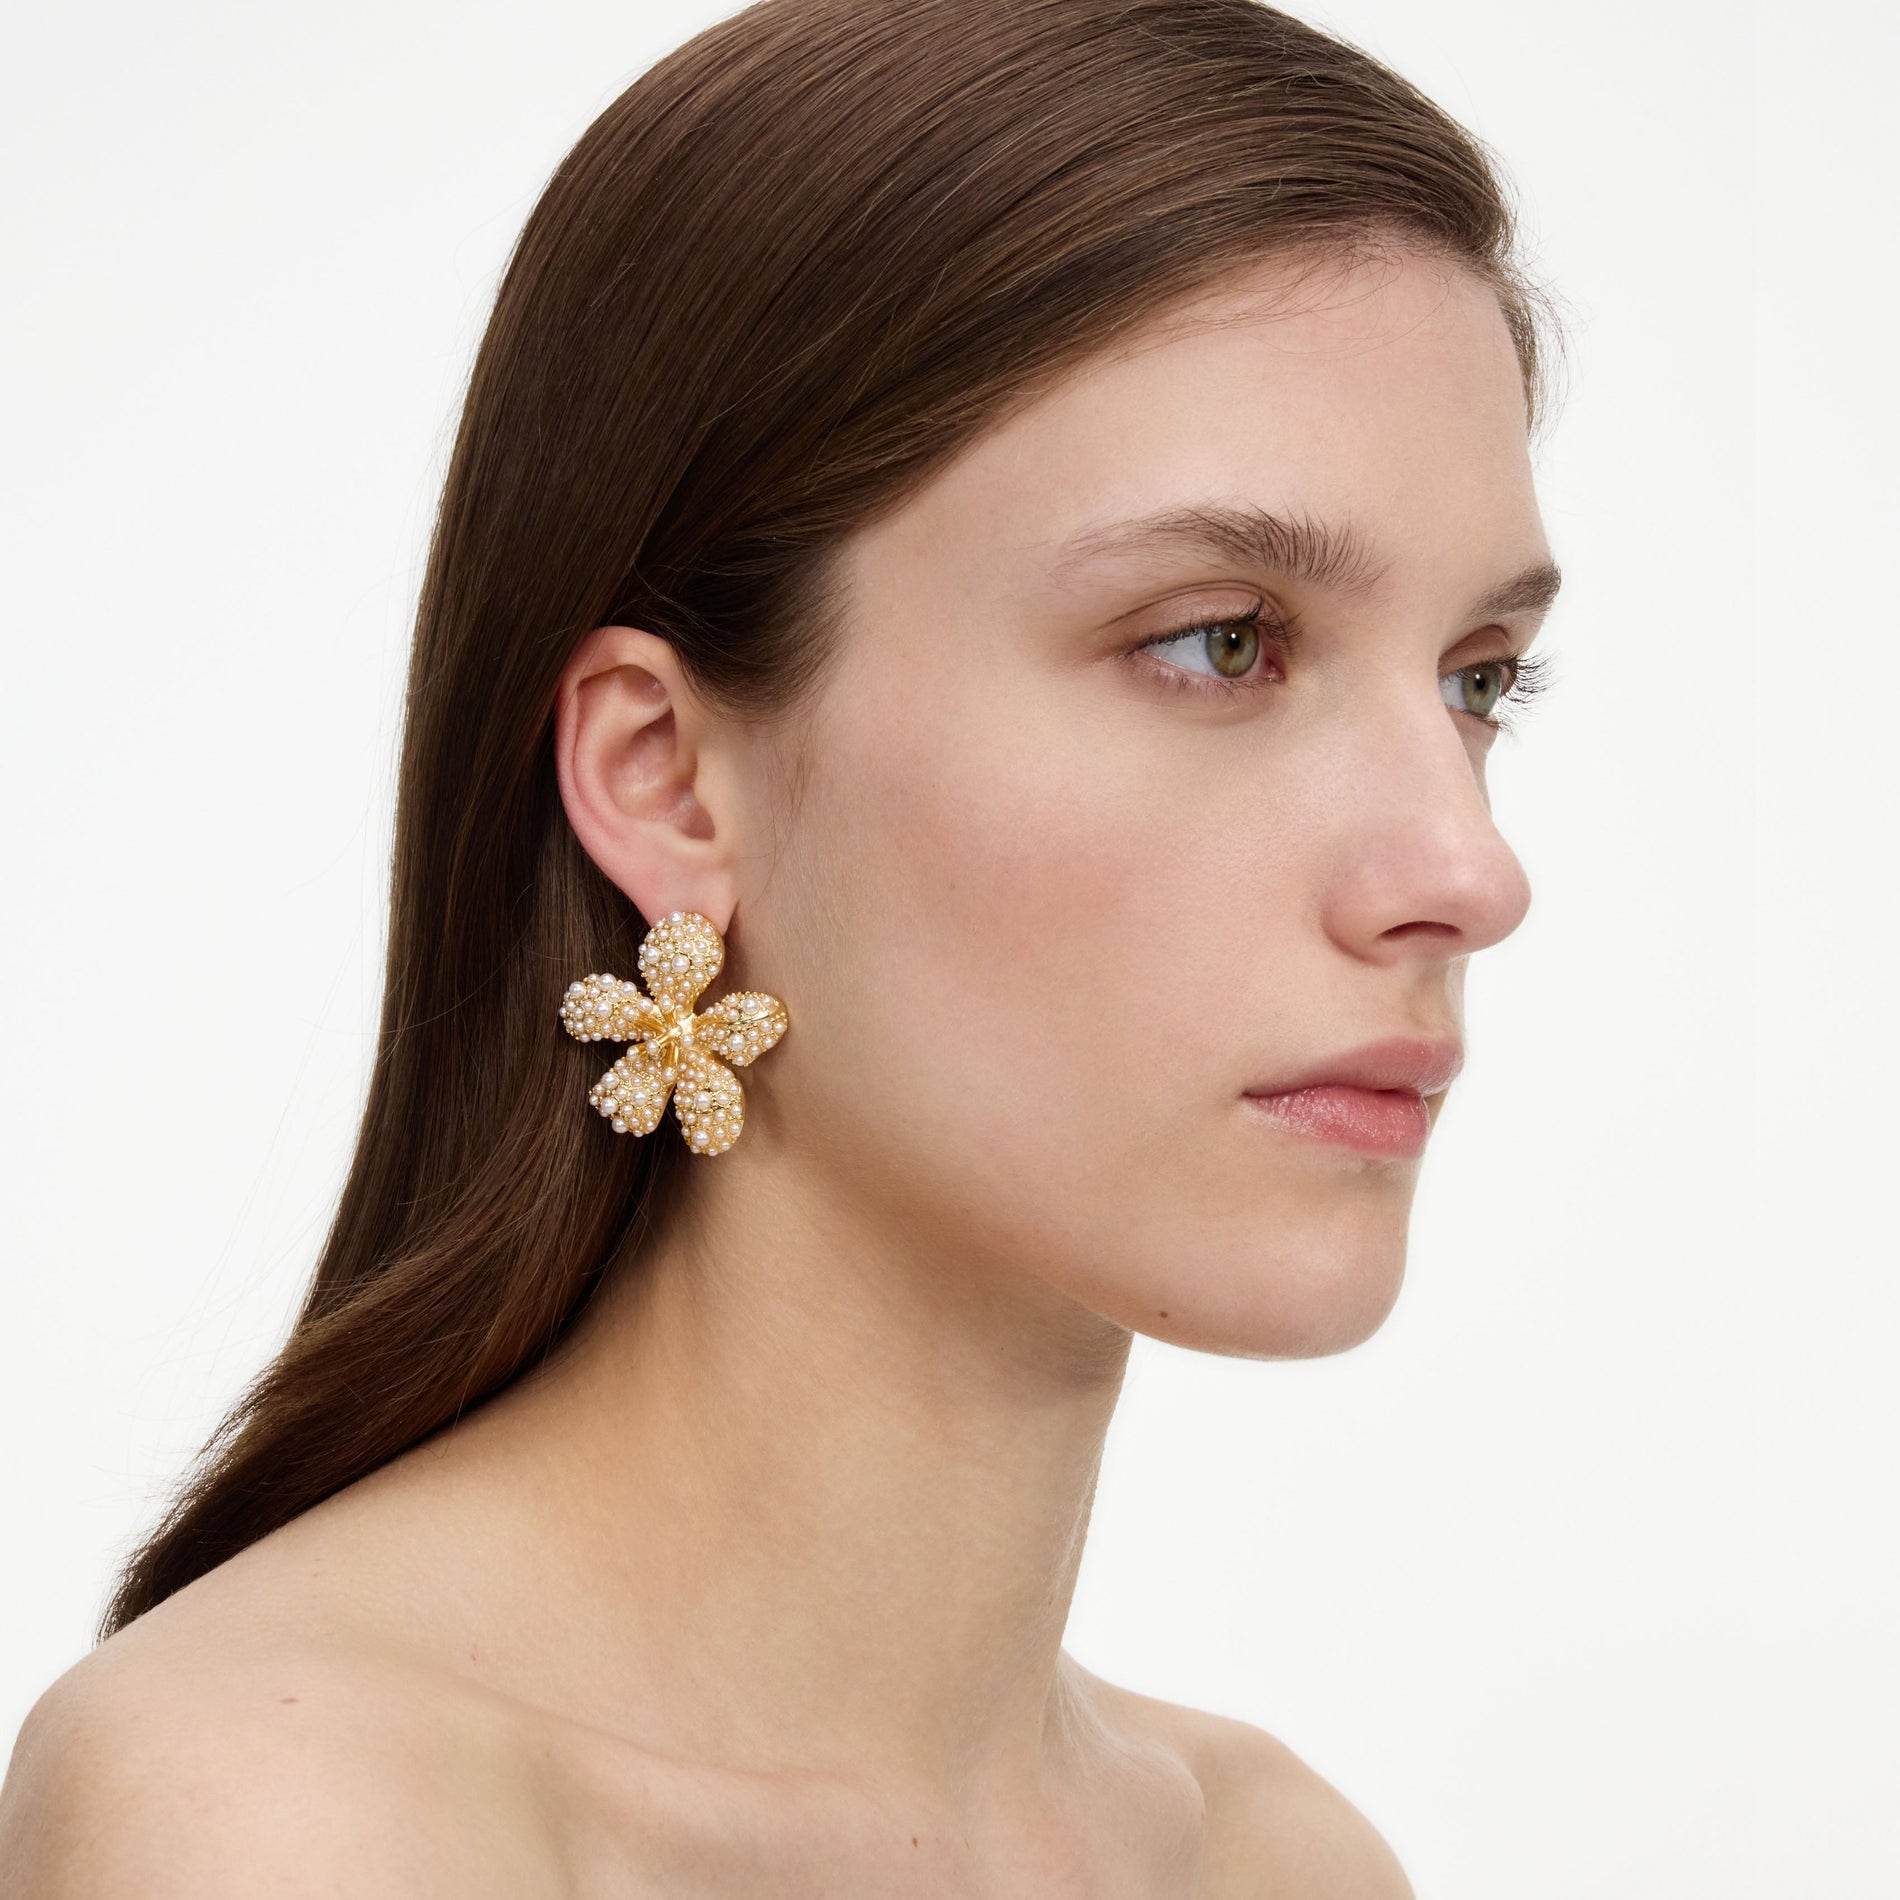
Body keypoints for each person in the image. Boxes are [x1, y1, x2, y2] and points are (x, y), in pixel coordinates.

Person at [0, 0, 1564, 1890]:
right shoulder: (300, 1817)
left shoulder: (1281, 1862)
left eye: (1485, 677)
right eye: (1219, 641)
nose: (1464, 866)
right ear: (667, 782)